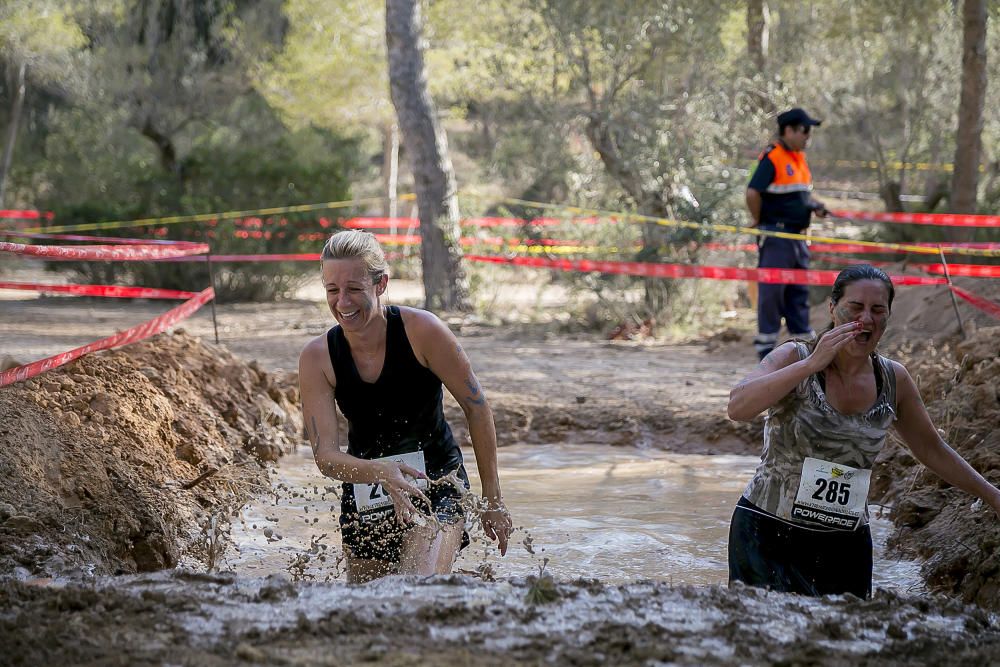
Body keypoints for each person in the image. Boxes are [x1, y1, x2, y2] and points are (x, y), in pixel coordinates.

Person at [726, 264, 1000, 599]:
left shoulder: (893, 379)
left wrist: (993, 496)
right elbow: (738, 407)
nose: (866, 319)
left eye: (877, 310)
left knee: (844, 644)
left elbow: (931, 450)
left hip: (844, 543)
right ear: (833, 308)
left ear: (887, 317)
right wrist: (811, 366)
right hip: (766, 533)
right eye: (855, 308)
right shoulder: (794, 356)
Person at [298, 230, 512, 582]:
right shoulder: (317, 357)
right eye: (332, 290)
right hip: (367, 494)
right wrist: (381, 473)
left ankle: (445, 579)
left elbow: (478, 408)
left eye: (354, 289)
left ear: (380, 284)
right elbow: (326, 457)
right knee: (369, 607)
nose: (342, 302)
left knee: (416, 589)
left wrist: (493, 499)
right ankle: (467, 587)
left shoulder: (423, 331)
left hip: (438, 486)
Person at [746, 107, 829, 360]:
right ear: (788, 130)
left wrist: (815, 205)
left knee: (798, 293)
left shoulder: (799, 160)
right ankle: (766, 353)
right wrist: (759, 221)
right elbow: (752, 193)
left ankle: (803, 349)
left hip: (798, 238)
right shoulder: (772, 157)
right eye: (804, 131)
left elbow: (800, 194)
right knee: (772, 293)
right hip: (778, 237)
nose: (808, 136)